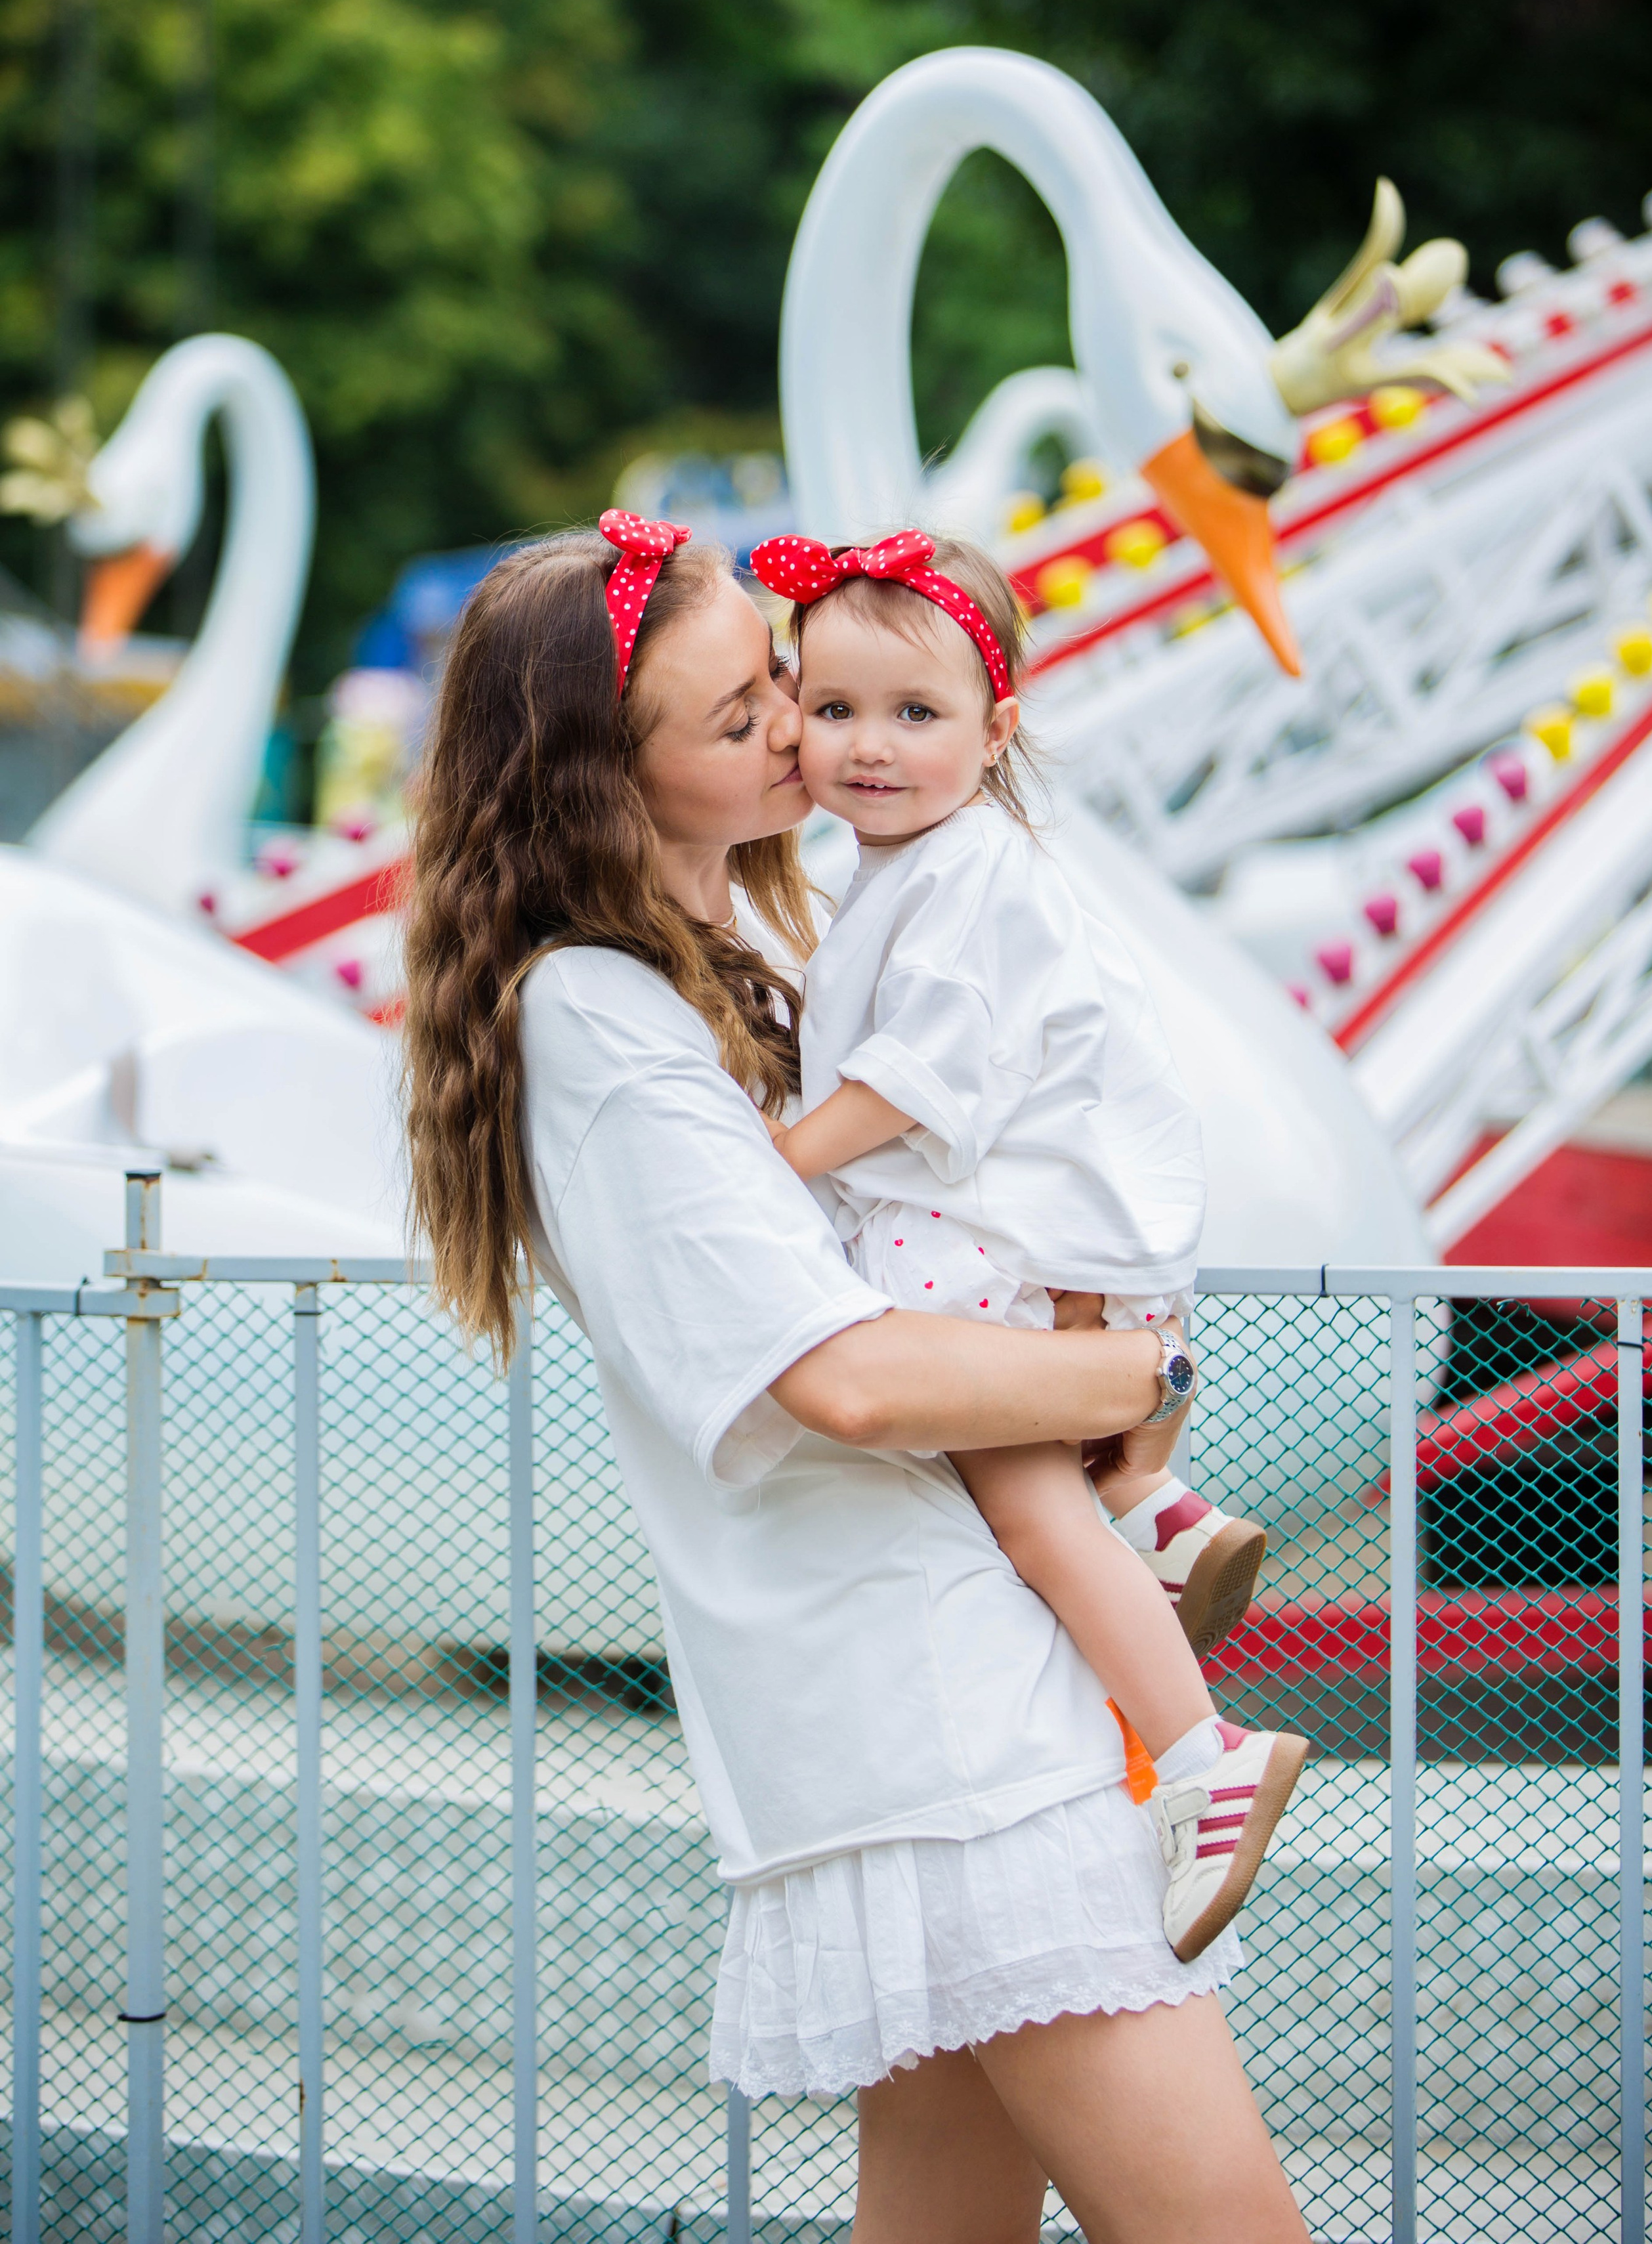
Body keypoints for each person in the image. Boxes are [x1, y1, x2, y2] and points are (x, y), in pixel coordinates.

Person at [402, 508, 1309, 2244]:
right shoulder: (599, 1017)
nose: (810, 738)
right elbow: (849, 1382)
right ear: (614, 780)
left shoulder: (757, 972)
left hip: (946, 1684)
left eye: (789, 689)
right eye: (749, 716)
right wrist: (1134, 1365)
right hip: (938, 1713)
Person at [750, 527, 1305, 1963]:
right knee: (1035, 1493)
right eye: (833, 710)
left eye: (915, 714)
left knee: (1015, 1504)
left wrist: (771, 1162)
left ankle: (1200, 1758)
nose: (868, 747)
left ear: (996, 729)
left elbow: (922, 1078)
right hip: (1014, 1220)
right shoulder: (923, 864)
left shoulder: (960, 874)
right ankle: (1159, 1527)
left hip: (974, 1224)